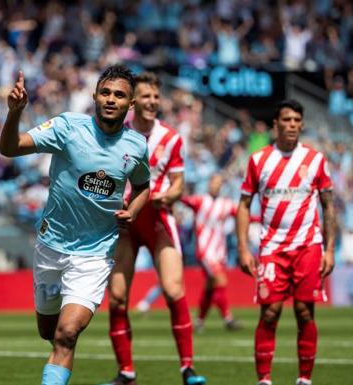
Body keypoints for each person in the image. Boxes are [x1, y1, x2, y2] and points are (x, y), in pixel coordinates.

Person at [0, 64, 151, 385]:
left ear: (130, 104)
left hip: (94, 256)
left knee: (67, 334)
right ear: (95, 96)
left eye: (120, 95)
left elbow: (142, 186)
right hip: (51, 247)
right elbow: (10, 148)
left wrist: (134, 209)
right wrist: (14, 113)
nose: (111, 99)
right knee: (49, 331)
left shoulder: (136, 146)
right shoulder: (68, 126)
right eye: (106, 92)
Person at [103, 72, 206, 385]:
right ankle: (126, 372)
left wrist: (164, 196)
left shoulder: (171, 138)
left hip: (159, 219)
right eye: (145, 96)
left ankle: (187, 368)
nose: (151, 102)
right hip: (125, 222)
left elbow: (178, 186)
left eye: (155, 97)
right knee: (118, 298)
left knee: (175, 291)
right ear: (134, 102)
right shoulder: (117, 134)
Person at [236, 100, 336, 385]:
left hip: (308, 245)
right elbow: (244, 205)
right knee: (270, 312)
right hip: (271, 247)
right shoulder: (259, 160)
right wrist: (243, 248)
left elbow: (328, 205)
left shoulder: (316, 160)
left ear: (302, 124)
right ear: (275, 124)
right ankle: (264, 380)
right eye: (286, 119)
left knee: (305, 311)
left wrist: (329, 249)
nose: (292, 124)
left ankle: (304, 379)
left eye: (296, 120)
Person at [181, 174, 243, 332]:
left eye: (218, 183)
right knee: (220, 281)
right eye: (213, 183)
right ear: (209, 184)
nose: (215, 186)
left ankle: (199, 321)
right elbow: (183, 199)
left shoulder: (226, 204)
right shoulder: (200, 201)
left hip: (219, 252)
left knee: (210, 288)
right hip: (205, 252)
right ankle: (228, 319)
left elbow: (242, 213)